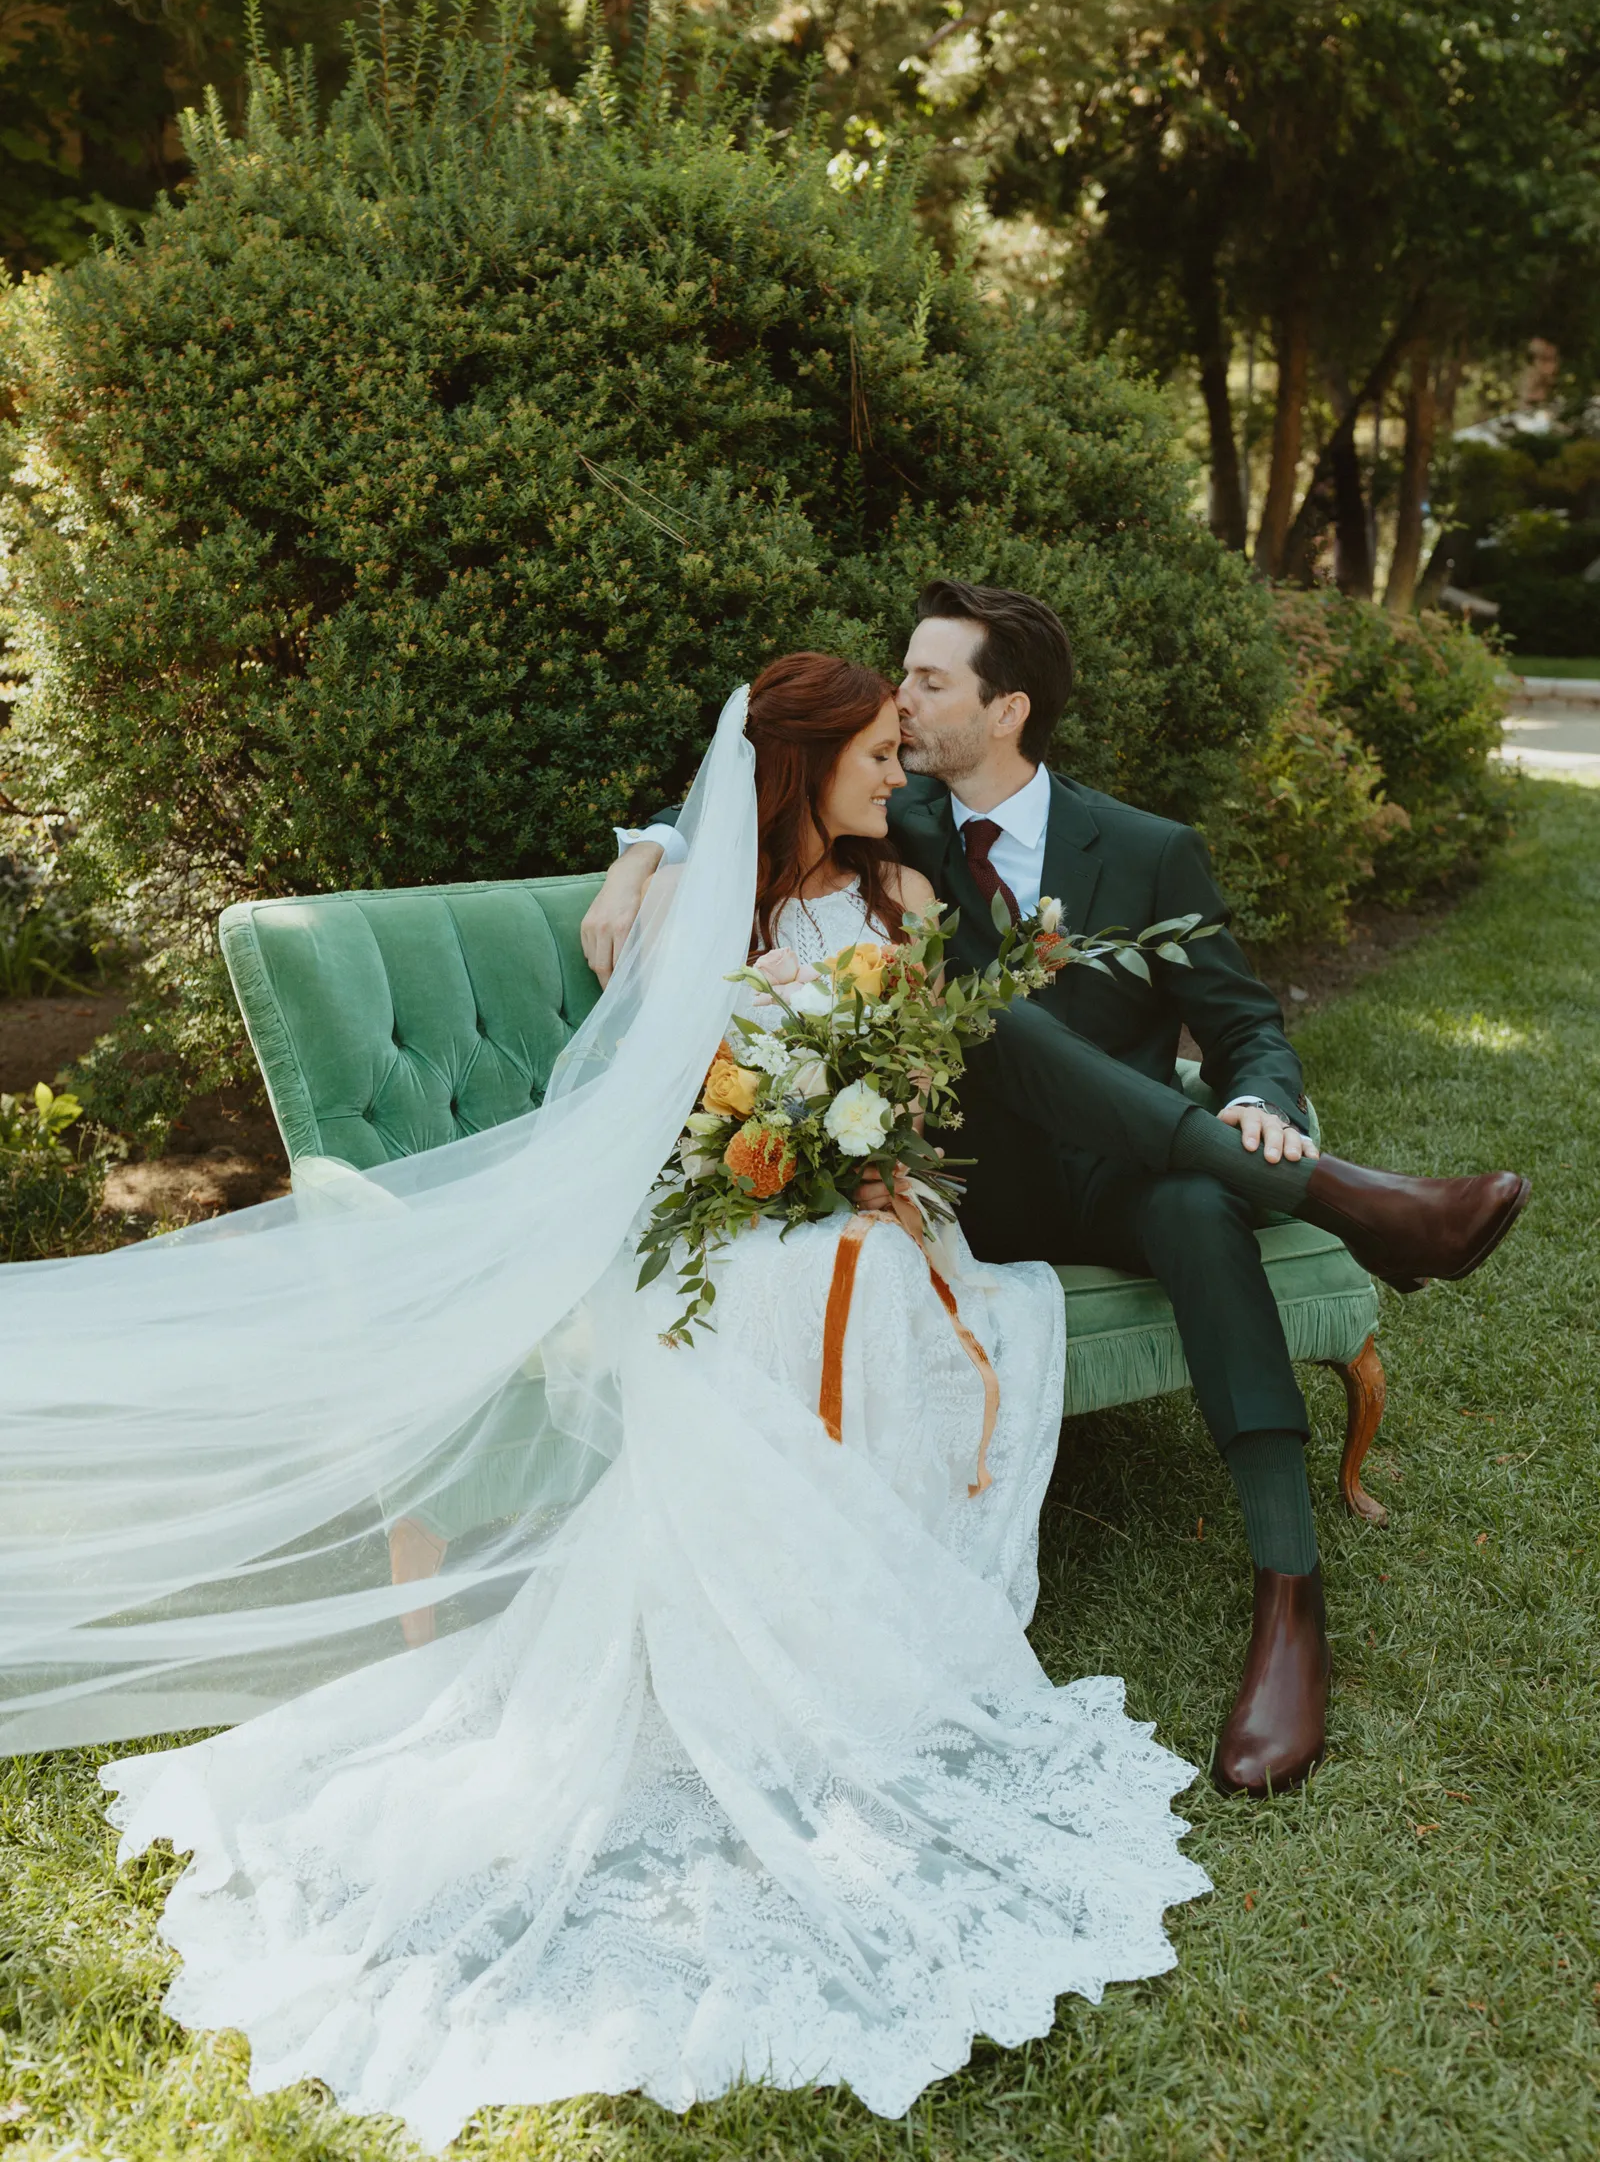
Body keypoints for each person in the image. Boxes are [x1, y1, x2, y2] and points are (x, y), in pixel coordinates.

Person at [3, 657, 1211, 2151]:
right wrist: (666, 879)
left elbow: (909, 1072)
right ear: (806, 766)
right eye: (878, 755)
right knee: (785, 1285)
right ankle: (786, 1615)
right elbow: (682, 1077)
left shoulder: (898, 899)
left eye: (906, 749)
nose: (899, 774)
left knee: (870, 1274)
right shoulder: (709, 899)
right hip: (720, 1210)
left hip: (851, 1199)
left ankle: (848, 1585)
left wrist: (867, 1150)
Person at [585, 582, 1530, 1797]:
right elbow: (748, 786)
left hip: (1126, 1185)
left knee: (1194, 1204)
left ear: (1006, 707)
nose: (902, 699)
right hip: (968, 1188)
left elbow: (1246, 1027)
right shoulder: (897, 815)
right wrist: (642, 855)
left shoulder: (1144, 849)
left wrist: (1263, 1107)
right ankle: (1355, 1204)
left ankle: (1288, 1604)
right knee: (982, 1009)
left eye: (927, 682)